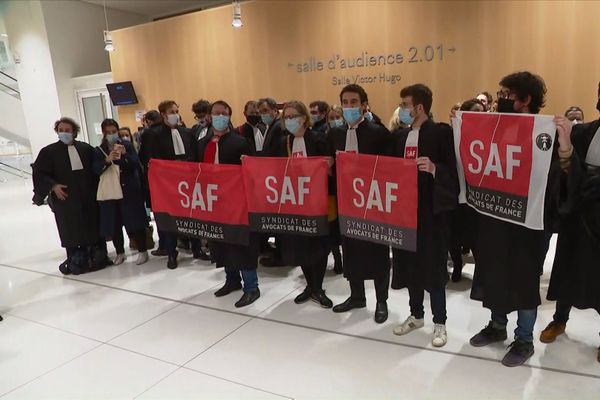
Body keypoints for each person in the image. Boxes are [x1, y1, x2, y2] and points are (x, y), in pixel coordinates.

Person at [469, 71, 573, 367]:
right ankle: (497, 325)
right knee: (495, 272)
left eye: (506, 95)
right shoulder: (494, 130)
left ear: (526, 99)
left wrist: (564, 144)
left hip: (529, 224)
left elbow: (563, 178)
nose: (500, 99)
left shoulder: (546, 132)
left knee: (525, 279)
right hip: (497, 219)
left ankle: (524, 339)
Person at [390, 84, 458, 347]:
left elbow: (455, 171)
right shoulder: (398, 137)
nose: (402, 109)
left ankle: (439, 322)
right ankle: (416, 314)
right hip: (405, 213)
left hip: (432, 214)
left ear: (419, 107)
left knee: (434, 268)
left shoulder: (441, 133)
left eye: (405, 104)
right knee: (409, 264)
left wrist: (434, 169)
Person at [542, 82, 599, 364]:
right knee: (567, 270)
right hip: (578, 214)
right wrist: (565, 144)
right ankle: (559, 320)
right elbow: (566, 170)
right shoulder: (585, 131)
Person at [328, 84, 392, 324]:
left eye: (354, 102)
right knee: (351, 251)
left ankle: (381, 301)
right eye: (345, 102)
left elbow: (389, 169)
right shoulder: (334, 134)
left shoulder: (378, 133)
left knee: (377, 253)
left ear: (364, 105)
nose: (349, 106)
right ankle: (357, 296)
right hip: (347, 203)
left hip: (374, 203)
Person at [197, 100, 260, 308]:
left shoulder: (240, 142)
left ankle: (251, 287)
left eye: (224, 113)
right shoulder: (203, 143)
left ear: (230, 116)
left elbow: (252, 172)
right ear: (209, 116)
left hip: (237, 204)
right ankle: (232, 280)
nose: (220, 116)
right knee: (221, 242)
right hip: (214, 203)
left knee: (241, 243)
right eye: (216, 113)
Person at [272, 100, 333, 308]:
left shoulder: (318, 139)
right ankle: (310, 286)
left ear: (304, 118)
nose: (289, 120)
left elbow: (329, 169)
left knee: (319, 246)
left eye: (293, 116)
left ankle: (318, 287)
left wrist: (328, 166)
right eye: (286, 117)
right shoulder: (282, 142)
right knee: (301, 245)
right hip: (294, 202)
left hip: (317, 202)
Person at [32, 117, 111, 275]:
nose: (64, 133)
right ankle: (76, 261)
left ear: (74, 132)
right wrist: (53, 186)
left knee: (92, 225)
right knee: (71, 228)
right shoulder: (48, 152)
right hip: (66, 199)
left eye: (67, 130)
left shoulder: (86, 149)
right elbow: (39, 173)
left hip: (88, 197)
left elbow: (96, 170)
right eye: (61, 130)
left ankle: (97, 258)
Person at [149, 100, 200, 269]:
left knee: (192, 216)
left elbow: (195, 155)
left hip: (189, 182)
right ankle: (171, 253)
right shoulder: (153, 135)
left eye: (177, 111)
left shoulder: (187, 132)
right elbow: (151, 160)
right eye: (172, 112)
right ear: (163, 114)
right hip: (167, 185)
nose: (176, 115)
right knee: (170, 220)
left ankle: (197, 249)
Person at [92, 119, 150, 266]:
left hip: (129, 190)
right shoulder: (99, 150)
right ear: (103, 133)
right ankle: (120, 252)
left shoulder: (127, 145)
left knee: (135, 221)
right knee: (115, 223)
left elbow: (136, 164)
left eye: (114, 131)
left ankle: (142, 250)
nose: (111, 135)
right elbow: (95, 170)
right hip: (111, 191)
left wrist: (125, 155)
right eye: (108, 132)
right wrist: (106, 160)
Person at [448, 98, 485, 282]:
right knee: (454, 235)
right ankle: (456, 264)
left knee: (477, 237)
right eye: (475, 111)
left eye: (482, 112)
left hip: (478, 195)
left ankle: (481, 272)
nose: (480, 115)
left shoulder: (487, 135)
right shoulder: (452, 133)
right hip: (456, 192)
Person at [325, 105, 345, 275]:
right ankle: (337, 259)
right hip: (330, 190)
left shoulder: (349, 135)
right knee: (332, 227)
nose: (334, 121)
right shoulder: (326, 137)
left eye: (337, 117)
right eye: (331, 118)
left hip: (348, 190)